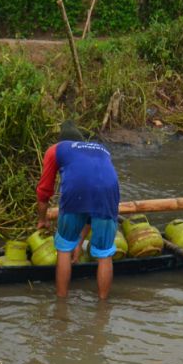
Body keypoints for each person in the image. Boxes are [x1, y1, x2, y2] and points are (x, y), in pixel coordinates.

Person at [35, 120, 121, 300]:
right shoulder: (101, 149)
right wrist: (80, 241)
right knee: (105, 254)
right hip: (109, 191)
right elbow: (93, 198)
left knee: (64, 248)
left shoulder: (56, 149)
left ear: (61, 140)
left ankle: (61, 303)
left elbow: (44, 191)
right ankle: (102, 309)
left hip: (76, 191)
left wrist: (42, 219)